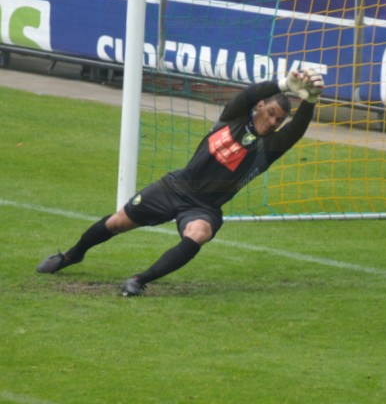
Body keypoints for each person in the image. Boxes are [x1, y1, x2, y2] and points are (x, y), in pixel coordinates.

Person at [36, 69, 325, 296]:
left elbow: (298, 128)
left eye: (279, 120)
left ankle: (139, 280)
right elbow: (248, 93)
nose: (274, 122)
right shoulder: (232, 118)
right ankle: (71, 256)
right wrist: (284, 85)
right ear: (259, 107)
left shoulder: (271, 147)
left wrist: (310, 100)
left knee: (198, 234)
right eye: (271, 113)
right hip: (175, 187)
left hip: (205, 207)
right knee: (115, 223)